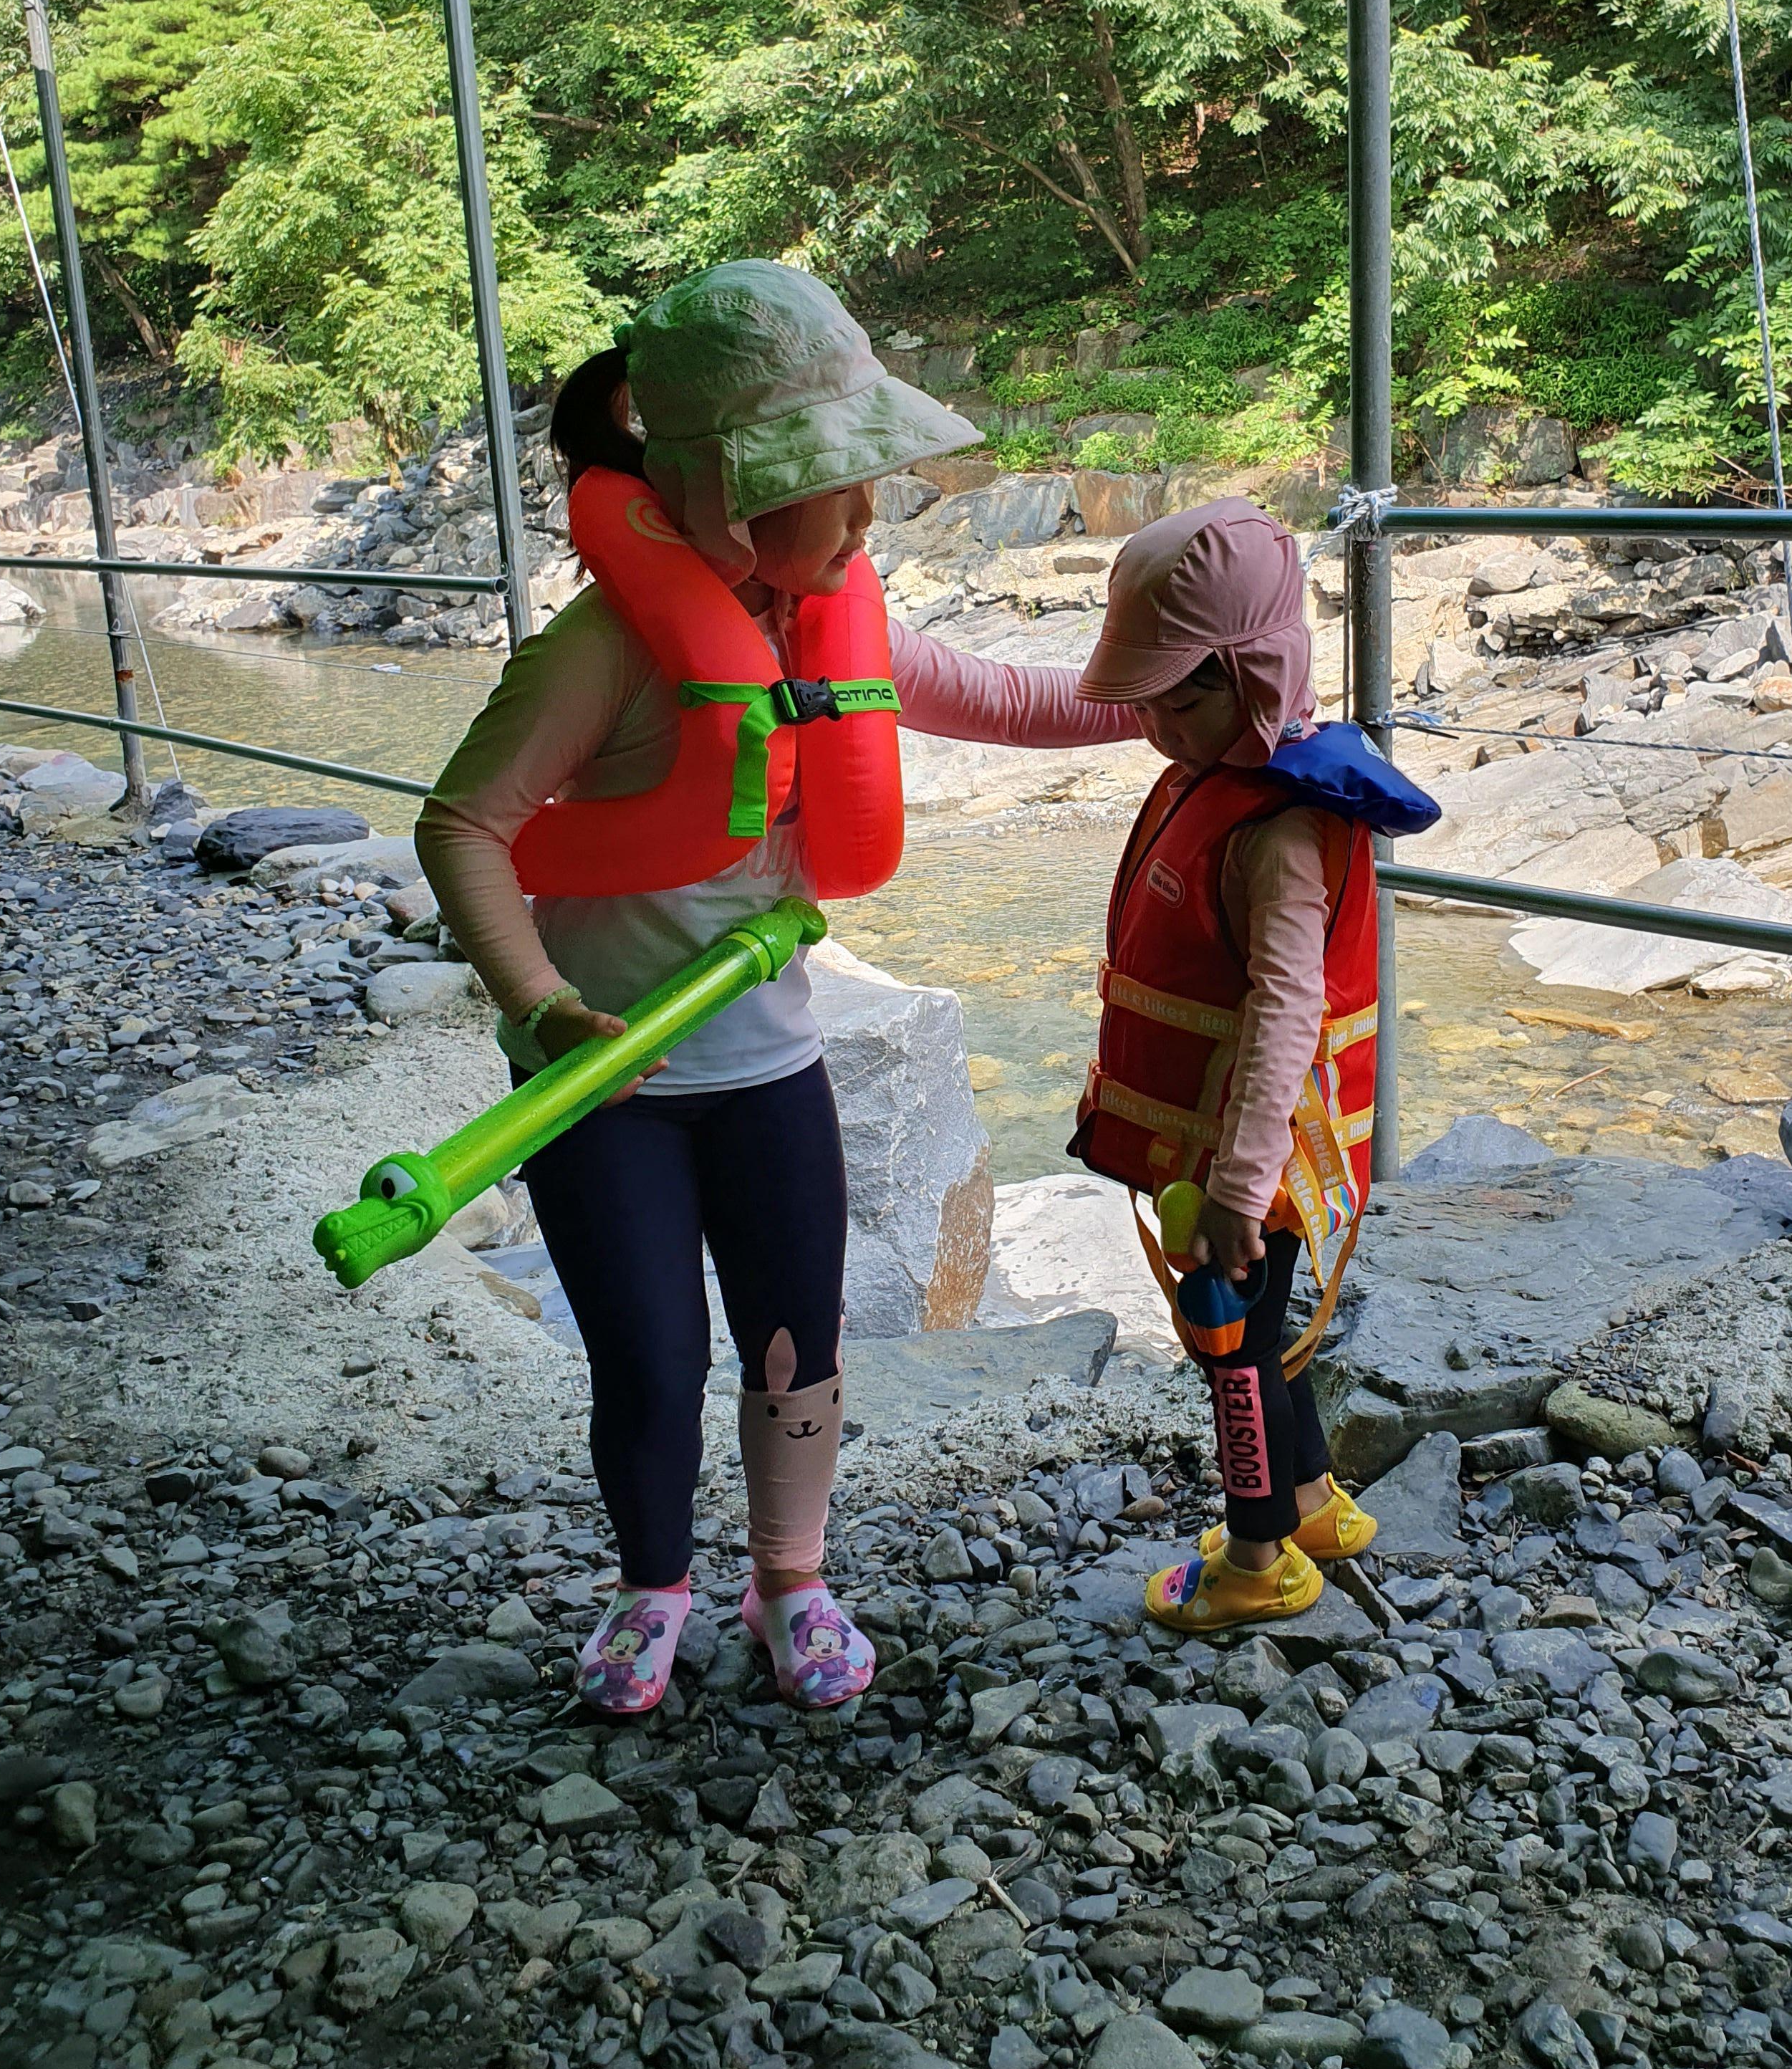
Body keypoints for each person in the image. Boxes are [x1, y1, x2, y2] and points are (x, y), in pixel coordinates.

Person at [416, 262, 1138, 1717]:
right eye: (837, 488)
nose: (867, 521)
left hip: (766, 1075)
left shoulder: (833, 629)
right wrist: (541, 1000)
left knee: (795, 1344)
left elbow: (1012, 698)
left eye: (872, 486)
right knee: (647, 1353)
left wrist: (1185, 700)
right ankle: (654, 1589)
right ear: (724, 494)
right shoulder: (606, 650)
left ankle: (792, 1580)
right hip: (598, 1084)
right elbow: (463, 826)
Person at [1066, 497, 1438, 1634]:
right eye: (1144, 694)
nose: (1153, 723)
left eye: (1180, 695)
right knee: (1264, 1338)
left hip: (1258, 1157)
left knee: (1229, 1346)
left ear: (1259, 674)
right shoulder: (1213, 767)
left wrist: (1236, 1189)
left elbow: (1288, 1006)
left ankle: (1261, 1560)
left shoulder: (1280, 830)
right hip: (1234, 1146)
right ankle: (1315, 1501)